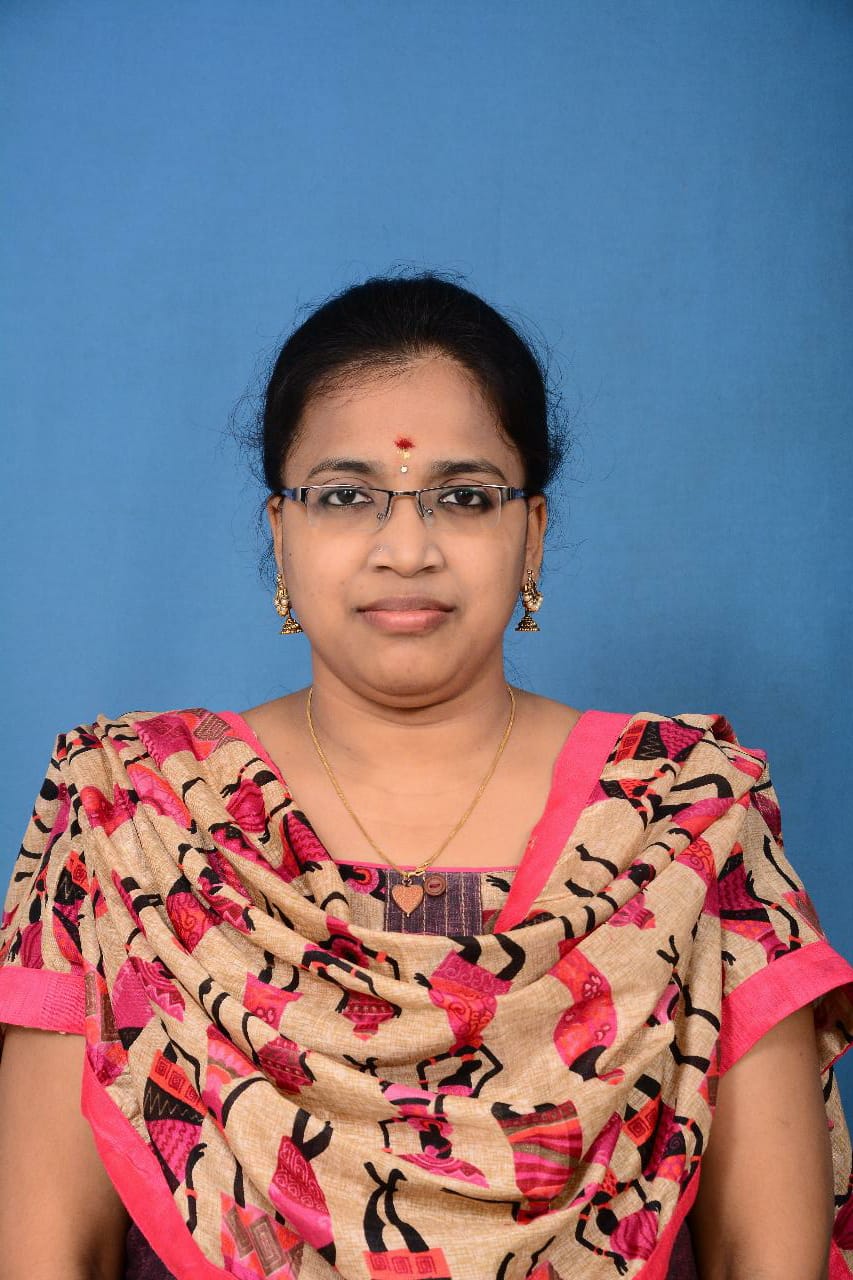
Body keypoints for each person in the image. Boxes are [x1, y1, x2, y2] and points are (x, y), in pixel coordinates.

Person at [0, 273, 851, 1280]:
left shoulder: (683, 820)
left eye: (464, 496)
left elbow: (769, 1253)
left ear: (532, 532)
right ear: (279, 532)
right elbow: (48, 1252)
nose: (406, 549)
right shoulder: (131, 818)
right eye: (344, 496)